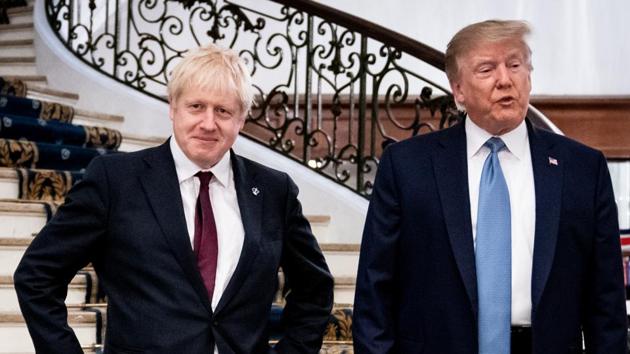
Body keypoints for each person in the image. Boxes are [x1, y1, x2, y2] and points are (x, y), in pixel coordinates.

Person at [14, 43, 334, 354]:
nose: (208, 123)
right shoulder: (115, 180)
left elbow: (314, 289)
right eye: (196, 106)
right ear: (173, 107)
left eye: (223, 111)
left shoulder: (274, 191)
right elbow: (37, 275)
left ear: (241, 119)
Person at [353, 20, 627, 354]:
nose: (504, 79)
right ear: (458, 90)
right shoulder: (407, 166)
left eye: (515, 65)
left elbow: (606, 298)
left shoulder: (582, 168)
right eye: (486, 69)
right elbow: (375, 286)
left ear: (529, 75)